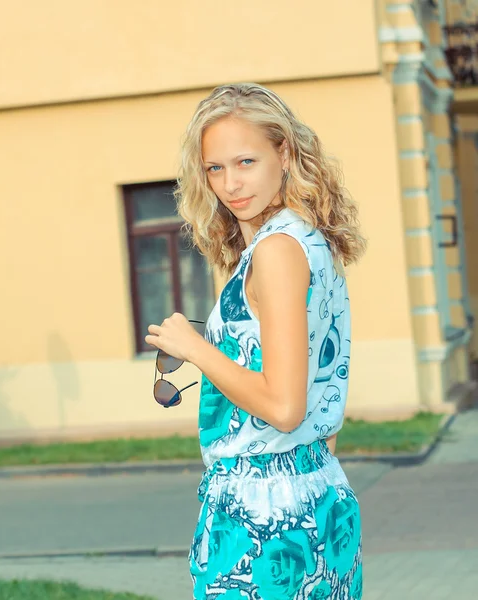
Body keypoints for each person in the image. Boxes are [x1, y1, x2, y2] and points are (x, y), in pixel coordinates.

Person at [145, 83, 366, 600]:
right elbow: (320, 390)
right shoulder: (309, 241)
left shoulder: (276, 251)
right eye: (215, 168)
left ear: (284, 154)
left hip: (262, 513)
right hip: (316, 492)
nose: (230, 183)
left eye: (246, 161)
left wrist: (195, 348)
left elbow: (284, 406)